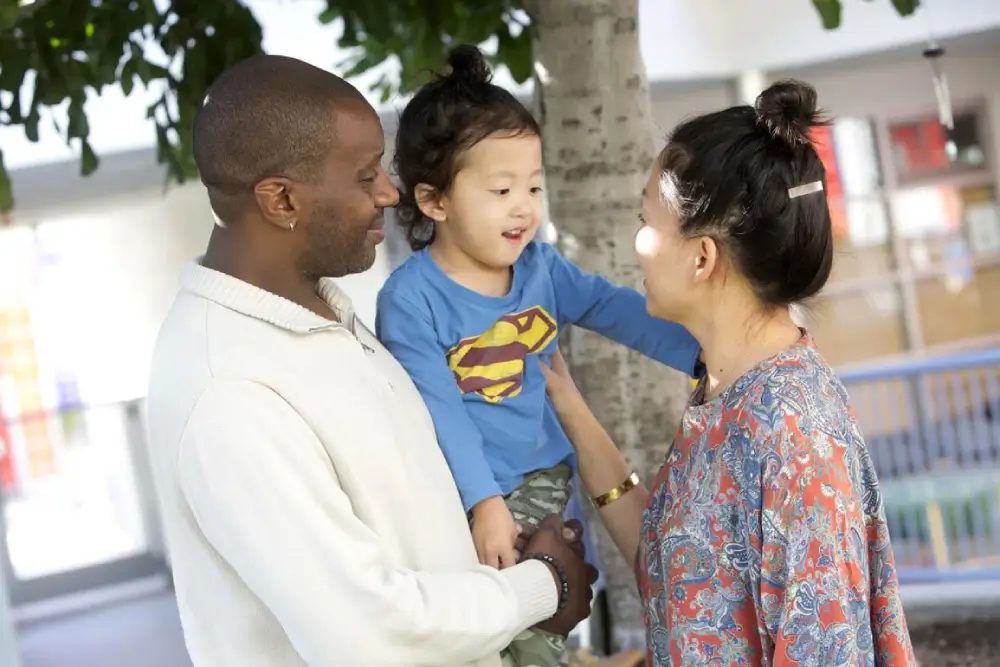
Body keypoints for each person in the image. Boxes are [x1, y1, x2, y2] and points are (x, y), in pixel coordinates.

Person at [144, 54, 597, 667]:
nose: (391, 191)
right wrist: (543, 585)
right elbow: (366, 634)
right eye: (364, 176)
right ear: (281, 200)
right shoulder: (228, 392)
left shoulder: (322, 321)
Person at [541, 80, 916, 666]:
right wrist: (564, 399)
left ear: (701, 257)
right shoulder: (728, 392)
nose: (636, 243)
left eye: (646, 220)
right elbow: (676, 576)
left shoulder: (796, 438)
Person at [375, 45, 701, 667]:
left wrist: (704, 355)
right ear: (434, 201)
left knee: (548, 618)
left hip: (549, 480)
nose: (524, 205)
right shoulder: (412, 300)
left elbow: (616, 311)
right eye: (501, 189)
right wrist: (485, 503)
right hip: (471, 493)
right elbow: (440, 411)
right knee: (517, 629)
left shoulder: (540, 270)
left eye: (532, 185)